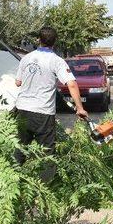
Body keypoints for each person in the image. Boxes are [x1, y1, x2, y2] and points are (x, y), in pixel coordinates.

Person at [14, 26, 88, 180]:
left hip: (22, 110)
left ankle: (11, 184)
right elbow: (72, 84)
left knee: (20, 149)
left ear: (38, 40)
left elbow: (18, 82)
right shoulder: (56, 61)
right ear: (55, 42)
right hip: (43, 113)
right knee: (47, 153)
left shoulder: (26, 58)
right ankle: (45, 191)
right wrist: (80, 108)